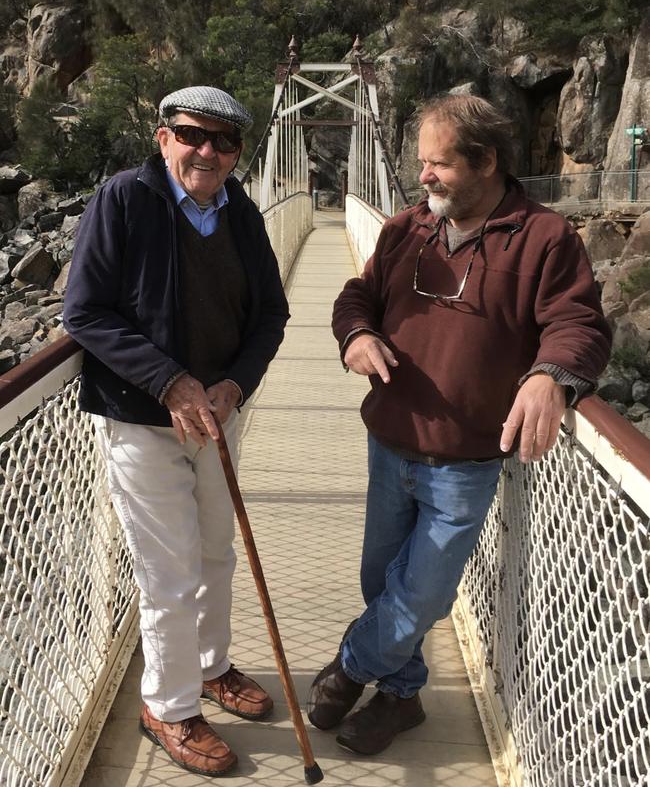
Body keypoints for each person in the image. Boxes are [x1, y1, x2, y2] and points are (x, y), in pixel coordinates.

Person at [307, 93, 611, 755]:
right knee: (381, 582)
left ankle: (351, 667)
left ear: (485, 162)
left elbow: (578, 322)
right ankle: (401, 698)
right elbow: (356, 296)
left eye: (438, 164)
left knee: (418, 597)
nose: (424, 178)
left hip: (465, 458)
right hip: (389, 441)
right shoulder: (405, 229)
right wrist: (356, 333)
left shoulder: (544, 237)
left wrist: (548, 376)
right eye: (420, 163)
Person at [63, 86, 289, 777]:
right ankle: (168, 703)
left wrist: (233, 385)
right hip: (142, 419)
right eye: (194, 135)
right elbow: (85, 312)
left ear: (238, 153)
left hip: (219, 417)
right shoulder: (124, 199)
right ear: (164, 137)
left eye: (225, 142)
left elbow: (271, 317)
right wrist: (170, 381)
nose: (208, 152)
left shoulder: (242, 211)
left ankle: (212, 666)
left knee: (215, 551)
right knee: (168, 572)